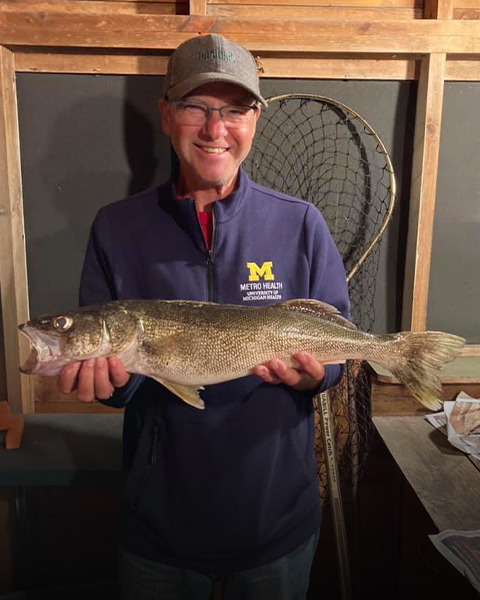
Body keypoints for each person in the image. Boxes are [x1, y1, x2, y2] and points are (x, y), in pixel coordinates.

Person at [58, 33, 349, 600]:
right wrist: (107, 385)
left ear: (255, 120)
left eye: (235, 110)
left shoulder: (302, 224)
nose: (216, 130)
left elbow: (335, 347)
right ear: (167, 116)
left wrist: (319, 374)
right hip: (158, 533)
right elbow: (122, 385)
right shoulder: (116, 229)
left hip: (276, 525)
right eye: (196, 107)